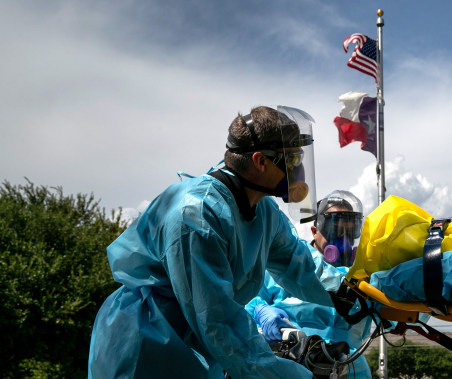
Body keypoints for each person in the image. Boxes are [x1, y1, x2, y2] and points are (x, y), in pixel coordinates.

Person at [88, 105, 336, 378]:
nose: (298, 172)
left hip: (193, 341)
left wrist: (354, 296)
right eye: (291, 161)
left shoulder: (263, 211)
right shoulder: (196, 216)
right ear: (260, 161)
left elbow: (299, 265)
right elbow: (220, 324)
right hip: (145, 342)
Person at [246, 190, 374, 378]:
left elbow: (391, 315)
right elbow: (243, 303)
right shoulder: (288, 264)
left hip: (347, 369)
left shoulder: (361, 277)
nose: (344, 239)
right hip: (291, 365)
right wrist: (260, 310)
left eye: (350, 231)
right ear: (315, 231)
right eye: (336, 230)